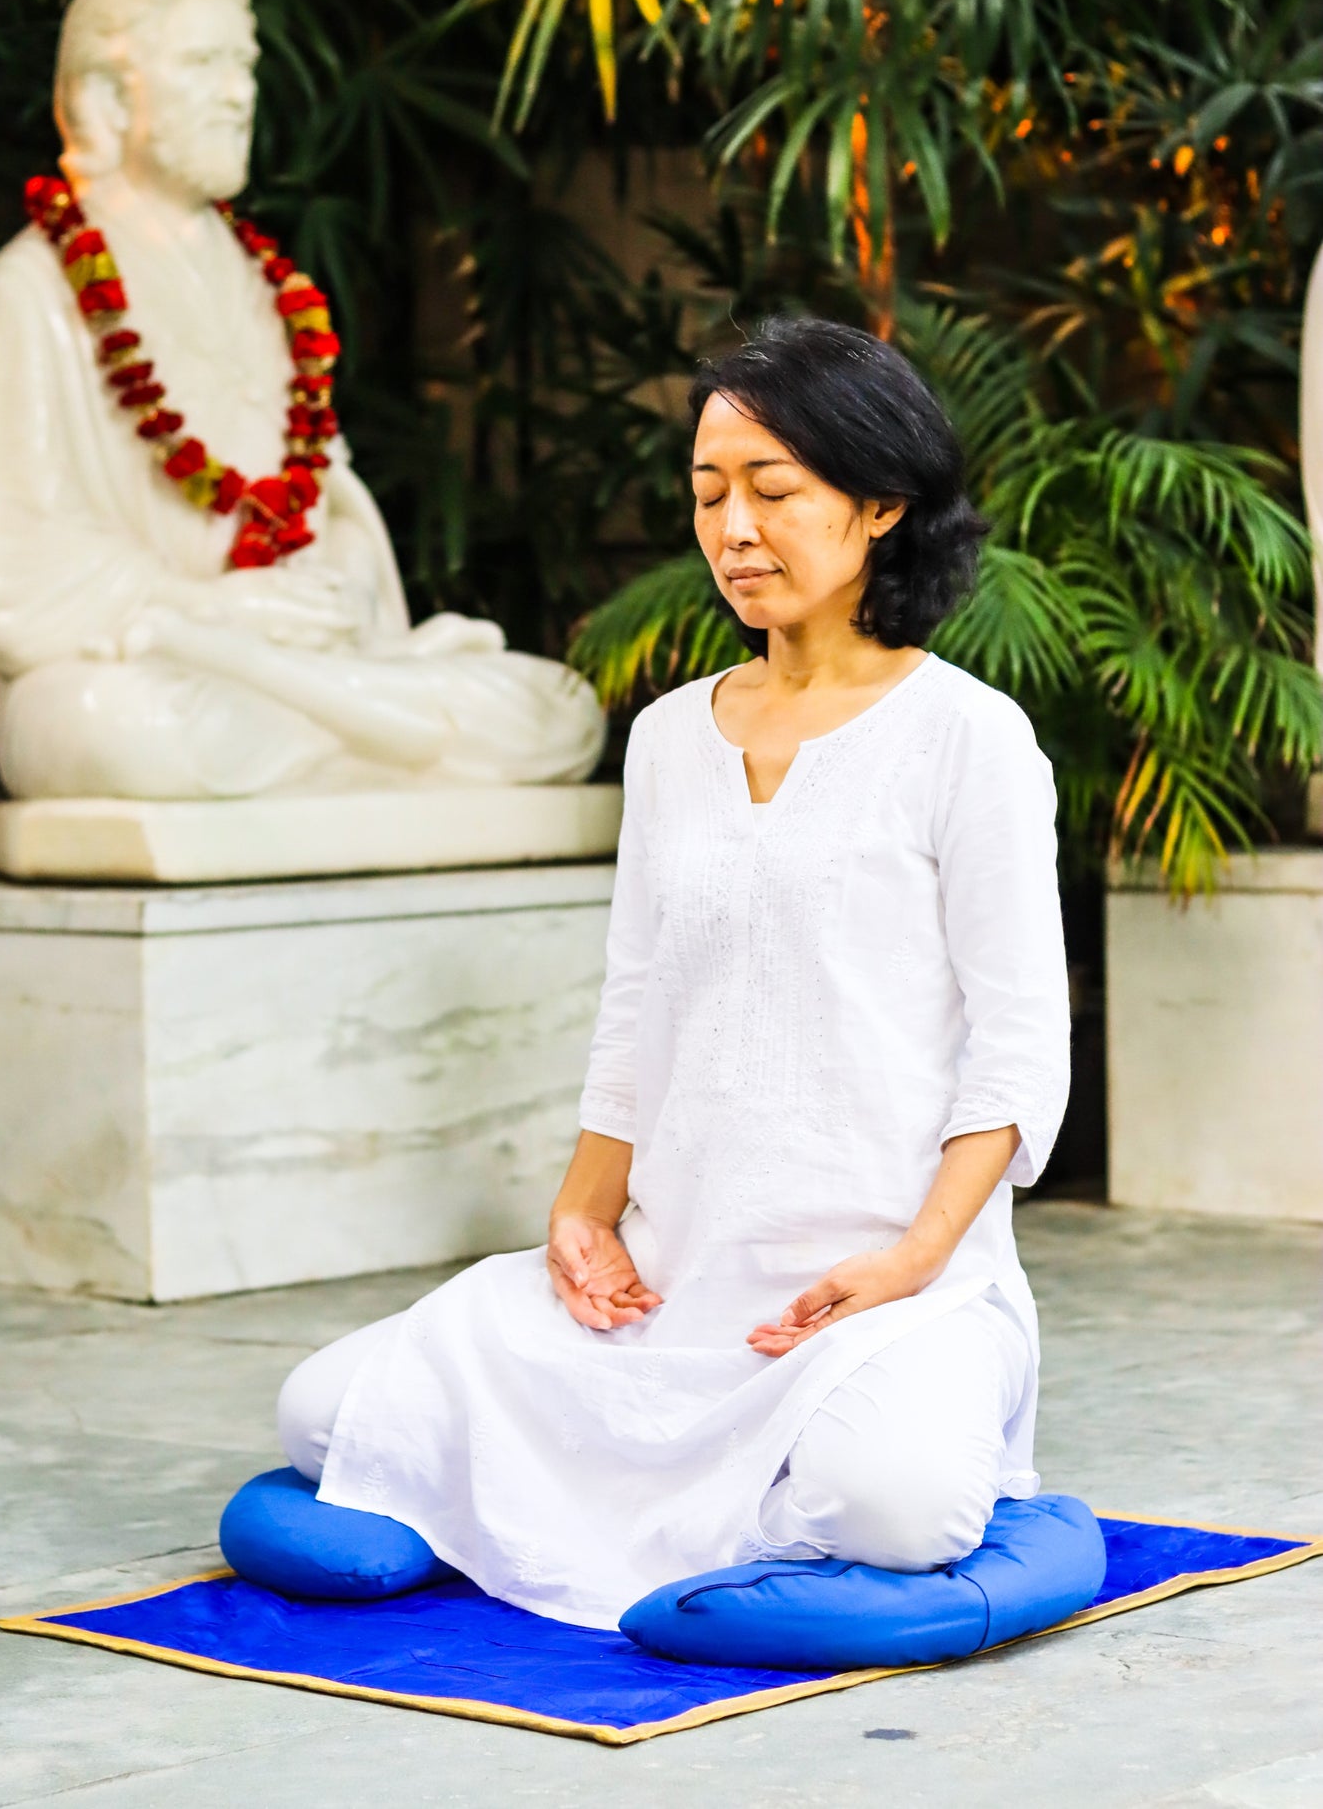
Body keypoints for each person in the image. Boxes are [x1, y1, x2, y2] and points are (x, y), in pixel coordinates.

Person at [275, 317, 1072, 1631]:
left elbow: (1020, 1043)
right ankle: (687, 1503)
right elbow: (638, 999)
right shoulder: (666, 738)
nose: (734, 529)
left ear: (878, 503)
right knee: (320, 1410)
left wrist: (920, 1254)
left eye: (773, 489)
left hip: (880, 1291)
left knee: (898, 1504)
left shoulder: (968, 740)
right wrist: (583, 1220)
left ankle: (667, 1498)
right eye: (710, 494)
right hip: (676, 1274)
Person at [0, 0, 604, 801]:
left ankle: (357, 721)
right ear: (106, 98)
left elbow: (321, 500)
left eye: (245, 65)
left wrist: (331, 595)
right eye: (203, 64)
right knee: (109, 723)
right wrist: (216, 612)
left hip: (290, 665)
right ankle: (378, 731)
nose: (239, 94)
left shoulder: (267, 283)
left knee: (561, 708)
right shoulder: (38, 282)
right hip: (151, 665)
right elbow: (26, 568)